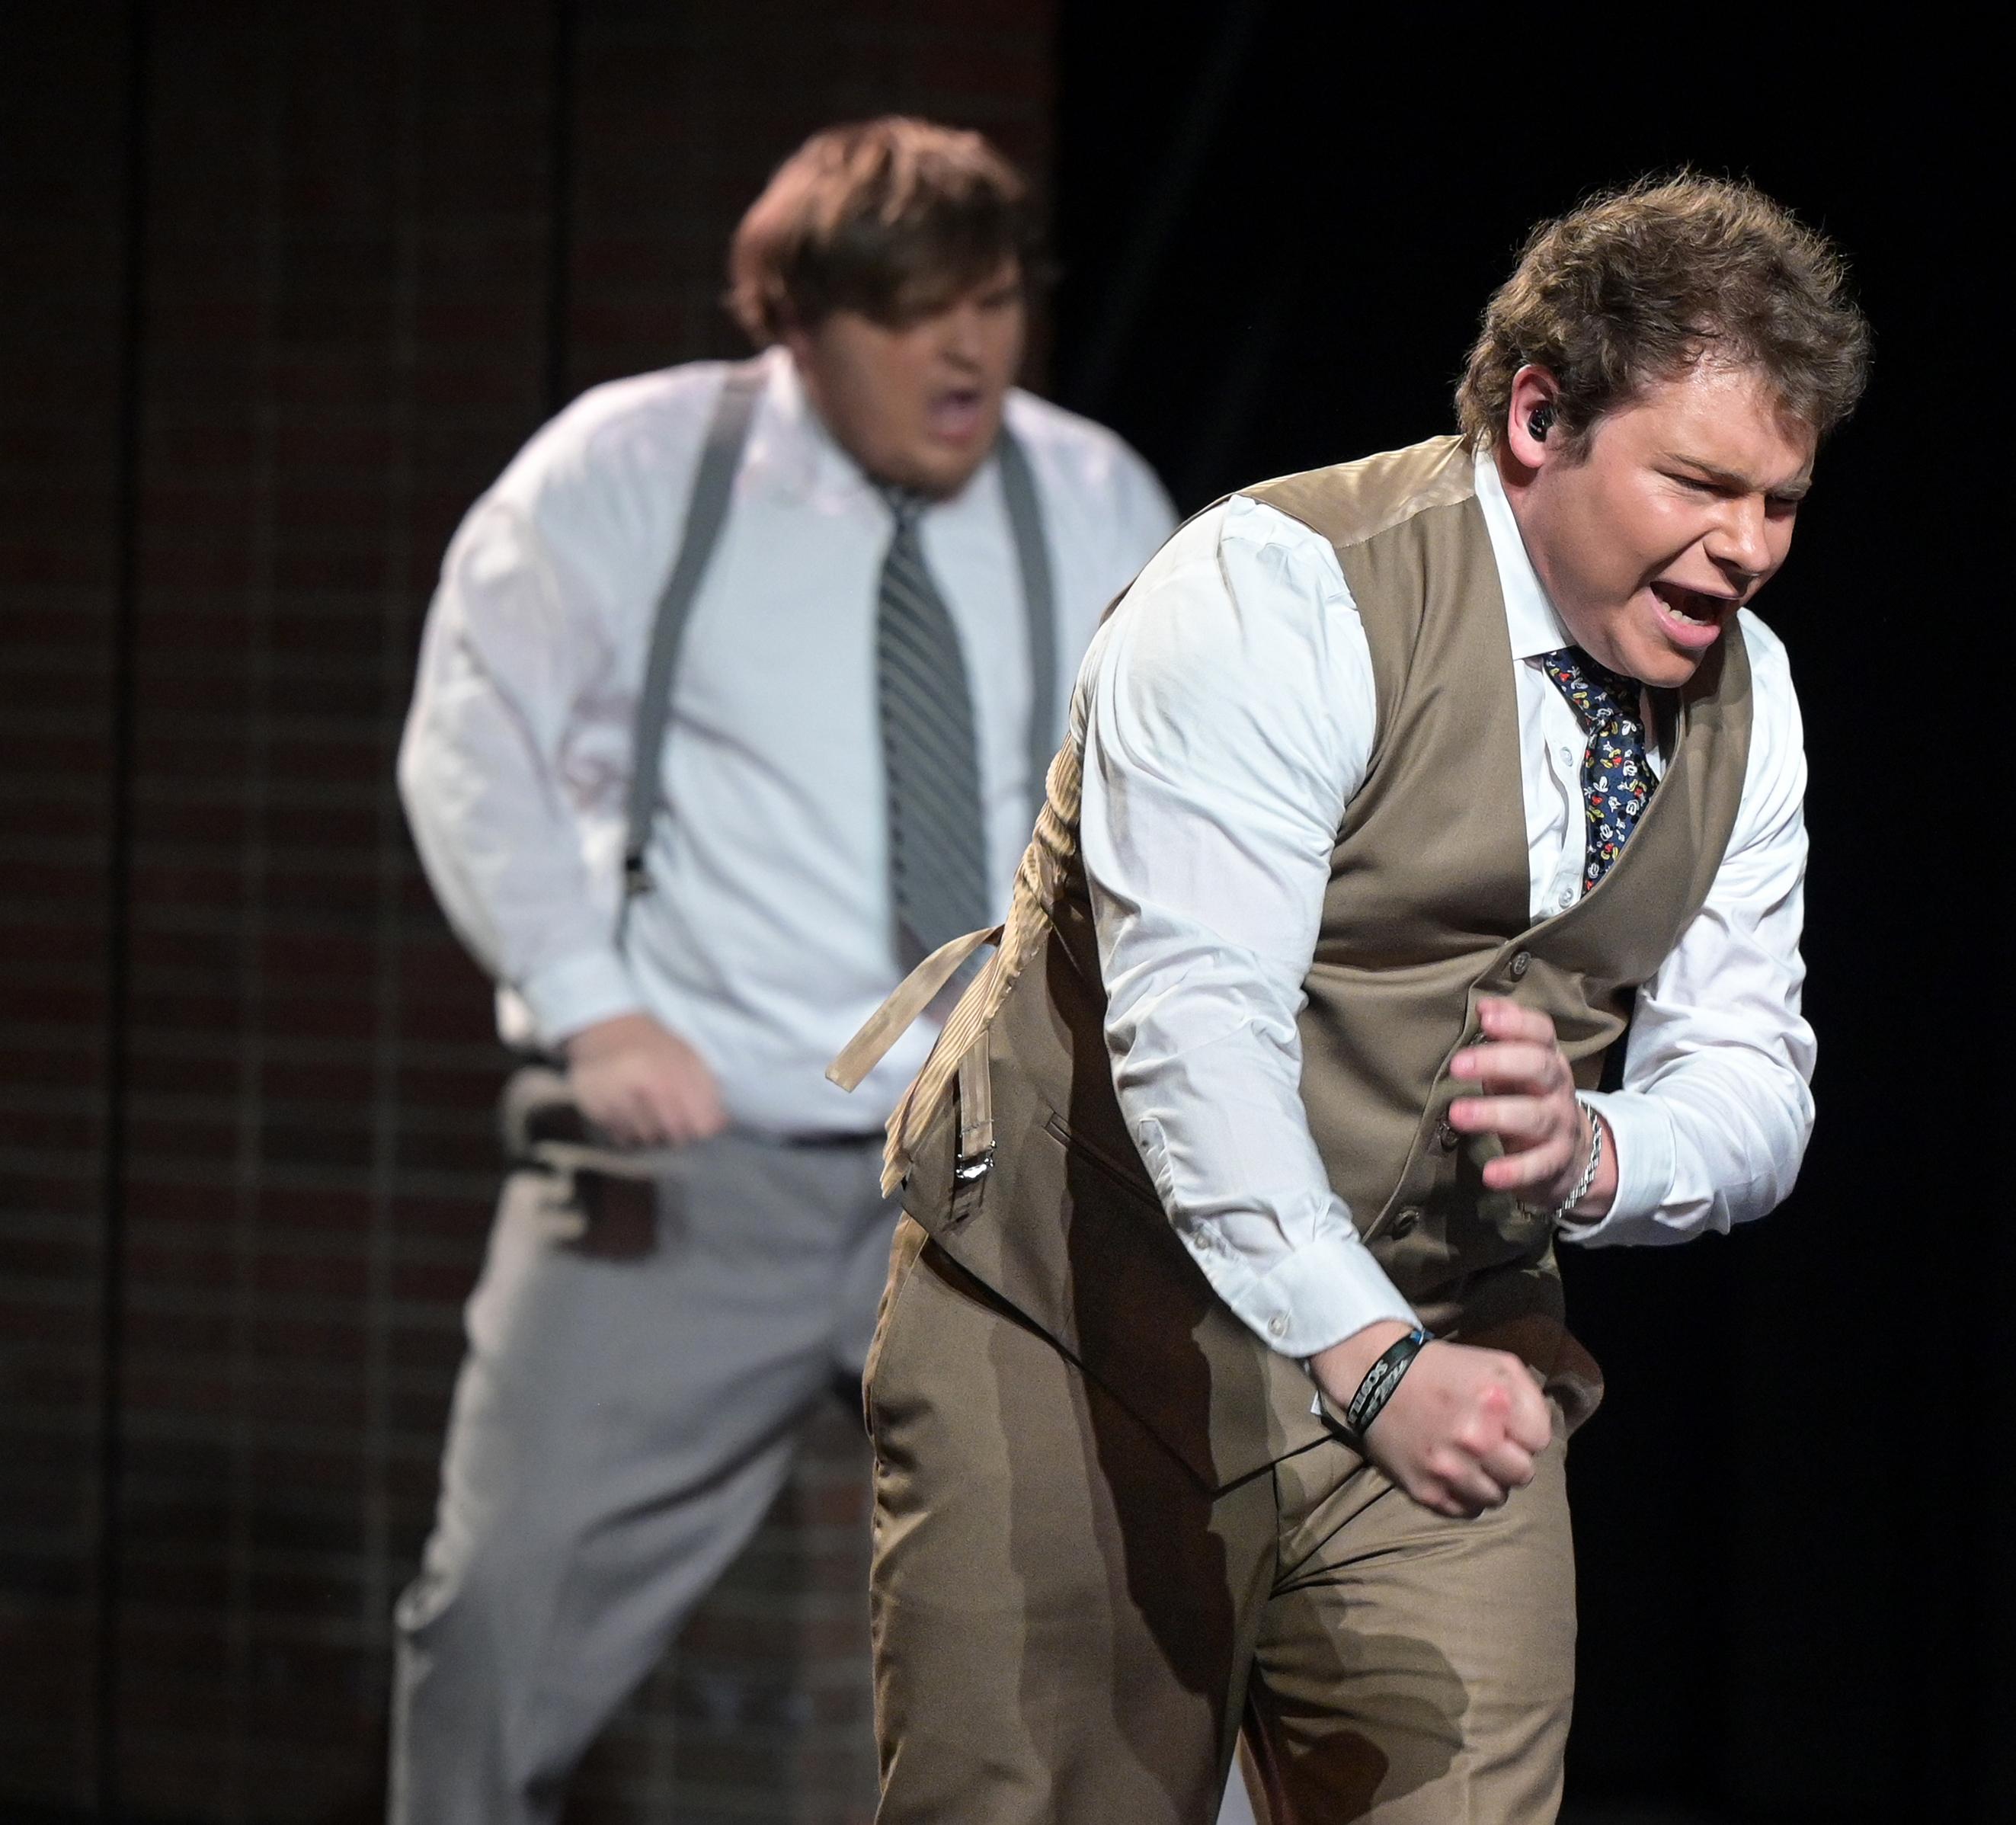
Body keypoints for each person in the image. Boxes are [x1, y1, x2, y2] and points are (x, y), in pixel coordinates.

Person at [839, 171, 1869, 1823]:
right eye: (1699, 483)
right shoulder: (1277, 594)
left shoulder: (1752, 703)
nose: (1747, 548)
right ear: (1538, 418)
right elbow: (1197, 1036)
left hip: (1450, 1335)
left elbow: (1753, 1076)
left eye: (1782, 502)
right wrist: (1370, 1362)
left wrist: (1595, 1153)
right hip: (1089, 1323)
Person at [391, 117, 1176, 1822]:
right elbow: (472, 737)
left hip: (992, 1176)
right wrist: (590, 1006)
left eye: (993, 302)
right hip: (704, 1172)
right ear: (800, 325)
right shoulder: (634, 470)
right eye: (913, 314)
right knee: (500, 1616)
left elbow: (1179, 804)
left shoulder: (1092, 493)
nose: (967, 352)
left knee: (1148, 1611)